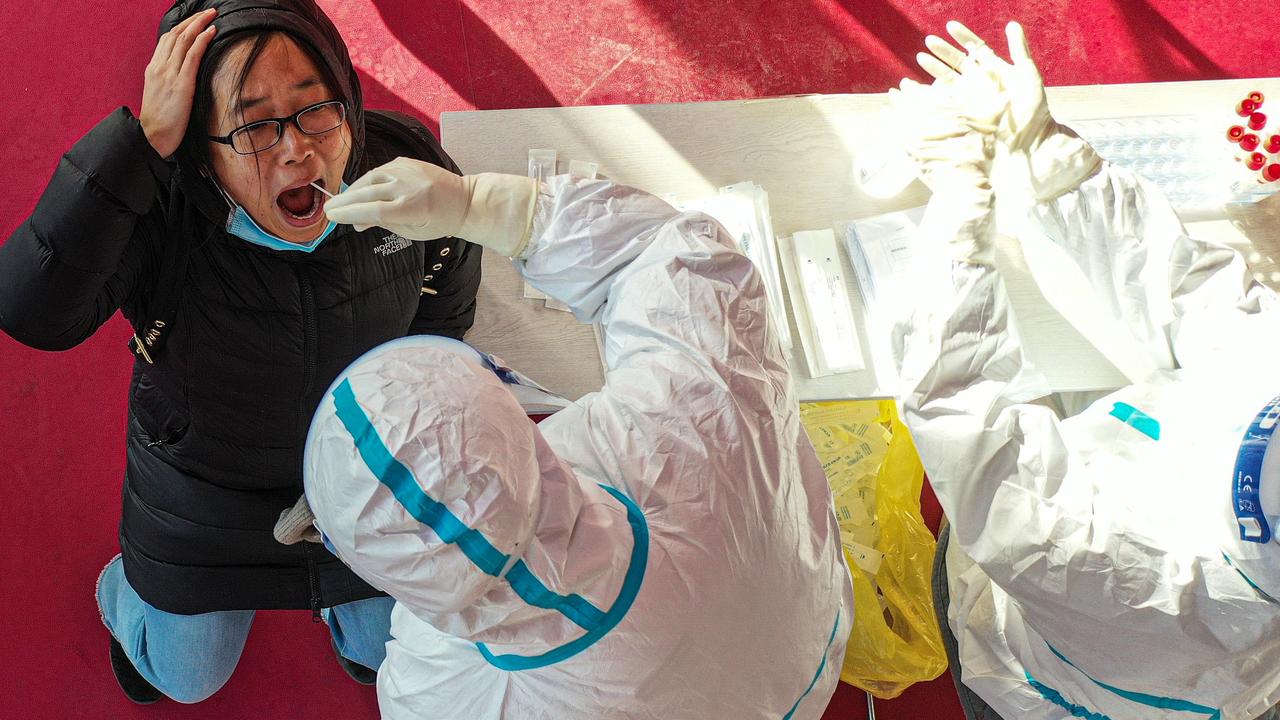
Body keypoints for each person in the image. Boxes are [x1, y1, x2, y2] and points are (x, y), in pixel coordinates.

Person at [0, 0, 483, 705]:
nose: (298, 150)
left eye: (315, 109)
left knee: (390, 652)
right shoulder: (157, 209)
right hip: (205, 493)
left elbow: (448, 289)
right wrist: (138, 147)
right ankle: (125, 586)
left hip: (360, 477)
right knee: (186, 679)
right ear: (200, 150)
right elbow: (32, 310)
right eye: (253, 125)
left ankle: (339, 609)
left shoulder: (400, 166)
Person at [296, 159, 856, 718]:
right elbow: (675, 256)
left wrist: (357, 511)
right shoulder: (690, 419)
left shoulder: (433, 689)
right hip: (804, 644)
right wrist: (482, 205)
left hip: (778, 673)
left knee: (364, 639)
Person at [889, 20, 1280, 720]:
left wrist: (957, 225)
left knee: (985, 566)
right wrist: (1051, 163)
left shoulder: (1168, 589)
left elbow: (968, 433)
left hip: (1044, 656)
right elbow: (1200, 300)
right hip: (1121, 490)